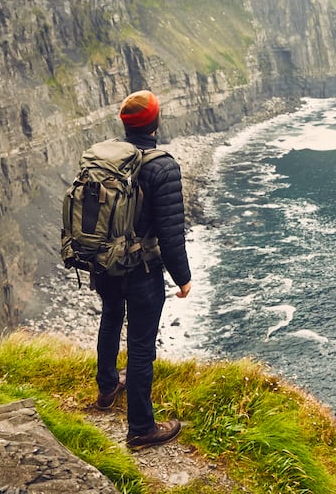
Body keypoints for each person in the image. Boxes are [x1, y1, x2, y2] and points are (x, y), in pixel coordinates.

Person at [91, 89, 192, 450]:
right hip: (142, 269)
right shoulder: (162, 167)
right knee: (140, 345)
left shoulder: (106, 158)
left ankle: (107, 389)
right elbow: (170, 232)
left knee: (110, 317)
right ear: (155, 122)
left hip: (105, 262)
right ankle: (141, 429)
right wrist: (183, 278)